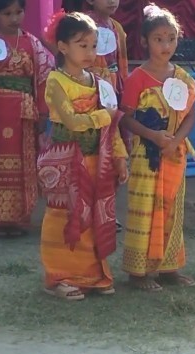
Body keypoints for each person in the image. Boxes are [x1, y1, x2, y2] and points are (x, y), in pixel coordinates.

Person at [39, 11, 128, 300]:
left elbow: (112, 127)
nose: (90, 52)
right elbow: (73, 121)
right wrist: (103, 115)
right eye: (82, 45)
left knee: (94, 213)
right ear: (62, 47)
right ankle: (58, 276)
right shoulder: (55, 81)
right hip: (66, 157)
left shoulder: (98, 81)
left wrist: (119, 157)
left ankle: (92, 275)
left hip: (96, 157)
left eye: (93, 45)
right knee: (63, 214)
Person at [120, 3, 195, 291]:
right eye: (158, 39)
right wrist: (154, 137)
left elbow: (191, 115)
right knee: (145, 209)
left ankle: (169, 268)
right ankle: (138, 273)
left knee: (173, 210)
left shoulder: (183, 77)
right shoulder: (137, 78)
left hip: (174, 154)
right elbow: (126, 118)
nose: (166, 45)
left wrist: (175, 141)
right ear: (144, 41)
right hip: (146, 155)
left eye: (171, 38)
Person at [0, 0, 54, 236]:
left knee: (25, 165)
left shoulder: (32, 43)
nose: (14, 18)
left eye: (19, 12)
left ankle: (20, 218)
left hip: (26, 114)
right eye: (7, 13)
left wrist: (43, 112)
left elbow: (43, 79)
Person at [84, 0, 130, 232]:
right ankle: (88, 212)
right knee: (91, 154)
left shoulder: (117, 28)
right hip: (88, 98)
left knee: (114, 154)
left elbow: (121, 67)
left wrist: (123, 94)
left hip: (112, 96)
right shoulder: (81, 24)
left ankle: (107, 212)